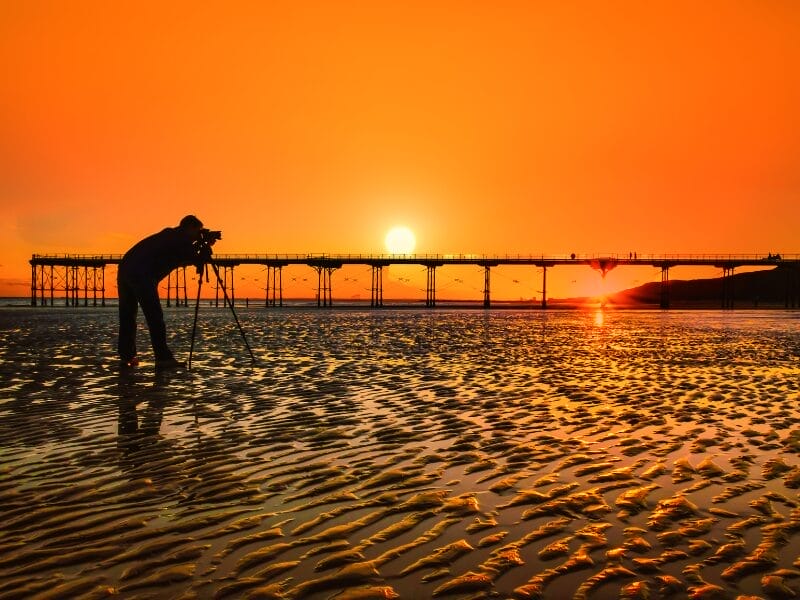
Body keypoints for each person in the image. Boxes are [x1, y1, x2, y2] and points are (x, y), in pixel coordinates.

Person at [117, 215, 214, 370]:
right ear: (189, 227)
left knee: (128, 316)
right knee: (155, 317)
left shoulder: (171, 236)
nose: (198, 235)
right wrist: (205, 247)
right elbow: (192, 257)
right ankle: (163, 358)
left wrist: (199, 246)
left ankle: (127, 357)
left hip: (125, 268)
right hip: (142, 274)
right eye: (198, 231)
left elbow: (183, 257)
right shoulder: (181, 239)